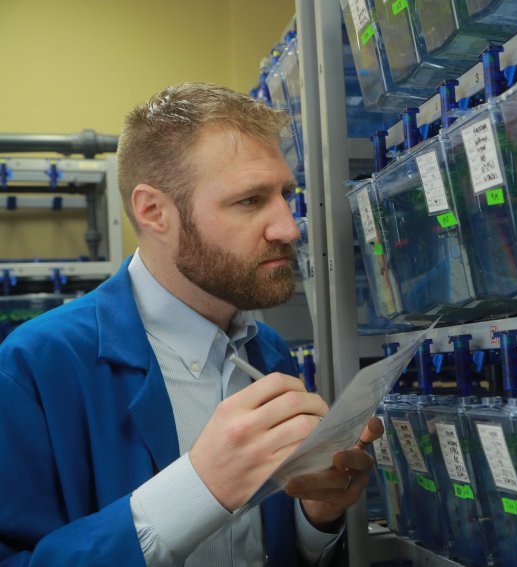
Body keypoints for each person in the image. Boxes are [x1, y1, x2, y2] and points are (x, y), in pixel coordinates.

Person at [0, 82, 383, 566]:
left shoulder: (267, 351)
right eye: (249, 200)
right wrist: (199, 488)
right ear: (154, 211)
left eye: (286, 194)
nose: (288, 227)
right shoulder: (35, 365)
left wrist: (315, 517)